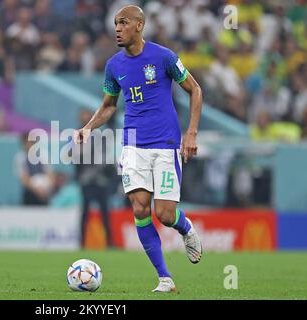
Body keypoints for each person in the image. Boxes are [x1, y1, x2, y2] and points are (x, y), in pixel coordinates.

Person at [73, 5, 203, 293]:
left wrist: (191, 132)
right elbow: (109, 106)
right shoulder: (114, 65)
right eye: (115, 23)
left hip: (166, 146)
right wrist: (87, 129)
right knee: (140, 208)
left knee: (165, 215)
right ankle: (165, 278)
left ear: (139, 25)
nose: (117, 28)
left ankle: (186, 228)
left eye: (124, 23)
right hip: (132, 147)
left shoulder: (163, 57)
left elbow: (195, 89)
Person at [73, 108, 116, 248]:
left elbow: (106, 156)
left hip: (99, 180)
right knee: (85, 213)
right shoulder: (78, 136)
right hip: (87, 181)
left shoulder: (99, 136)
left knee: (104, 212)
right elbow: (76, 157)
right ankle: (82, 243)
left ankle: (109, 242)